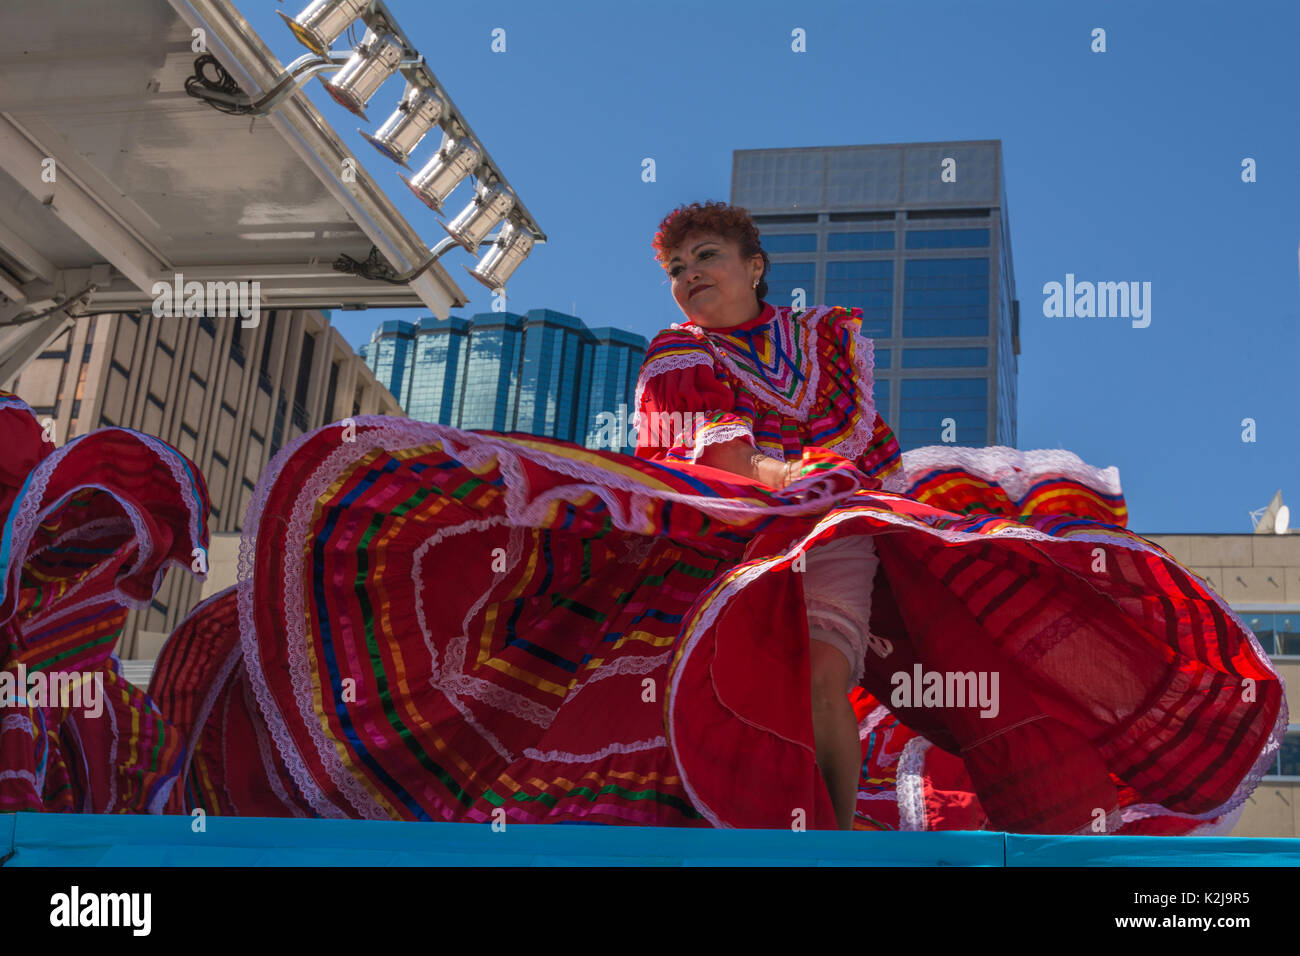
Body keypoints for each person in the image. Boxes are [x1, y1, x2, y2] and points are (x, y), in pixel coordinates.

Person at [11, 200, 1282, 836]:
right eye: (676, 271)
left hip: (830, 529)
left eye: (705, 263)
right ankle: (740, 823)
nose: (688, 281)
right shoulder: (676, 355)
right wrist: (789, 479)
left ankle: (836, 840)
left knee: (834, 664)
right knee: (655, 675)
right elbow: (708, 456)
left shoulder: (826, 342)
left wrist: (838, 488)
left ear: (755, 266)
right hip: (718, 529)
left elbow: (865, 444)